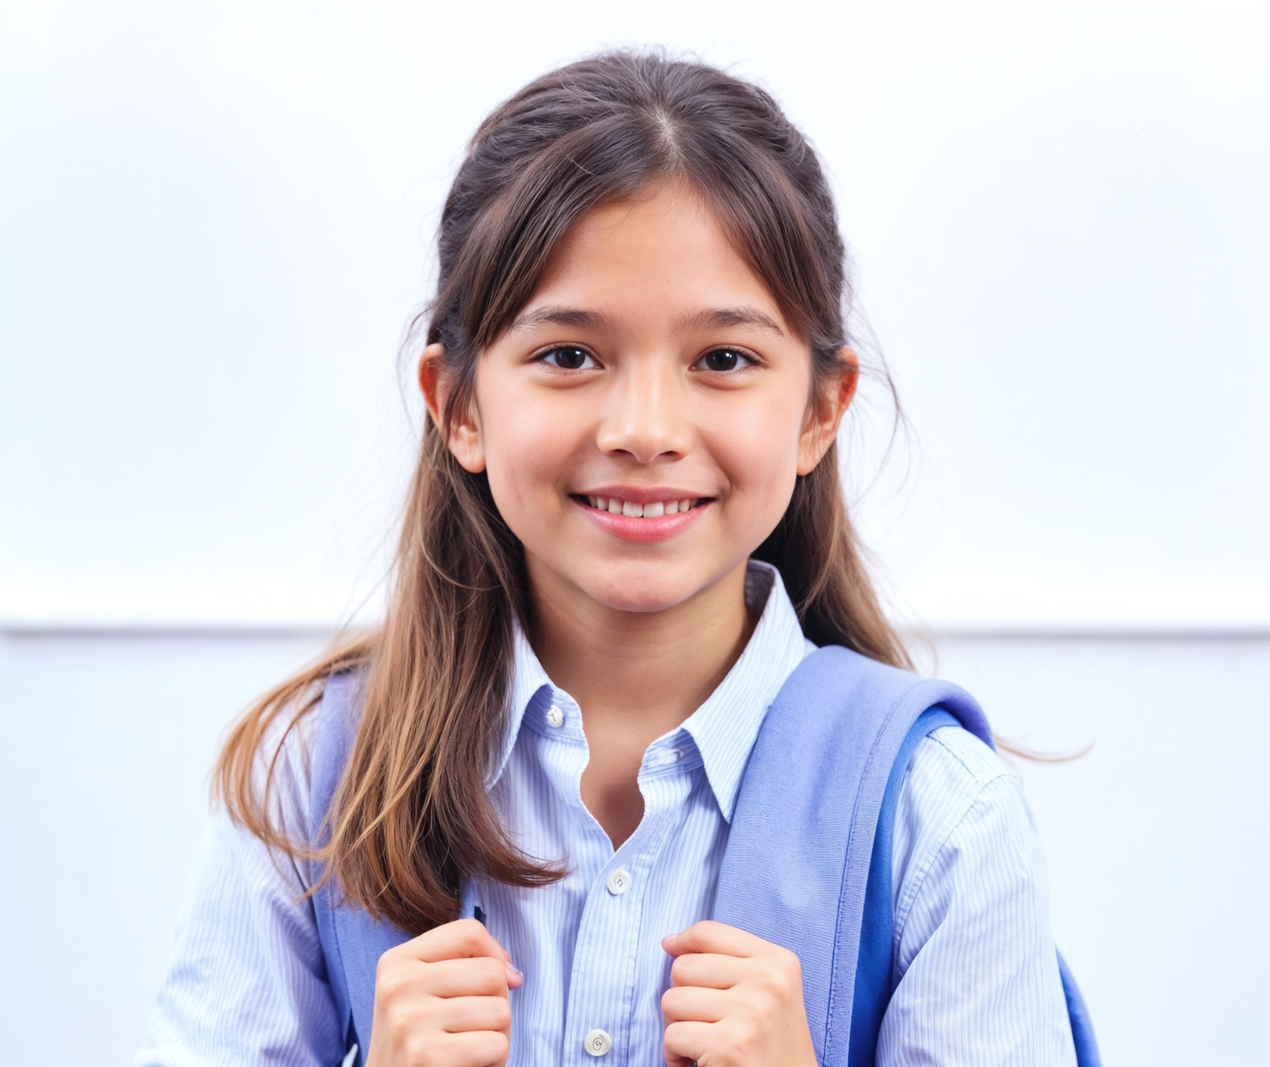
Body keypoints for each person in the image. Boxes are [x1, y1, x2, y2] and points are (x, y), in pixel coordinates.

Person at [136, 50, 1077, 1067]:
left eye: (723, 359)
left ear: (817, 411)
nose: (643, 428)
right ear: (457, 404)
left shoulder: (944, 817)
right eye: (569, 355)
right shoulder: (307, 784)